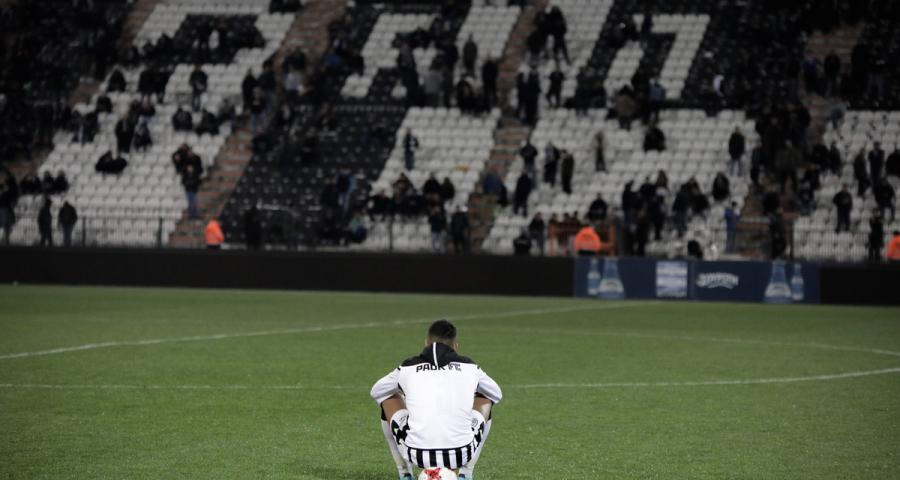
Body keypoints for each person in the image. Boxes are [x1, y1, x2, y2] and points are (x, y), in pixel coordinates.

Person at [370, 320, 501, 479]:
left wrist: (406, 392)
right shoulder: (470, 367)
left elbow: (377, 391)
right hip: (461, 453)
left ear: (426, 343)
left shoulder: (408, 367)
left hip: (416, 453)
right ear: (455, 347)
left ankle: (404, 473)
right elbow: (496, 393)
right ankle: (466, 474)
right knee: (486, 397)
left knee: (388, 395)